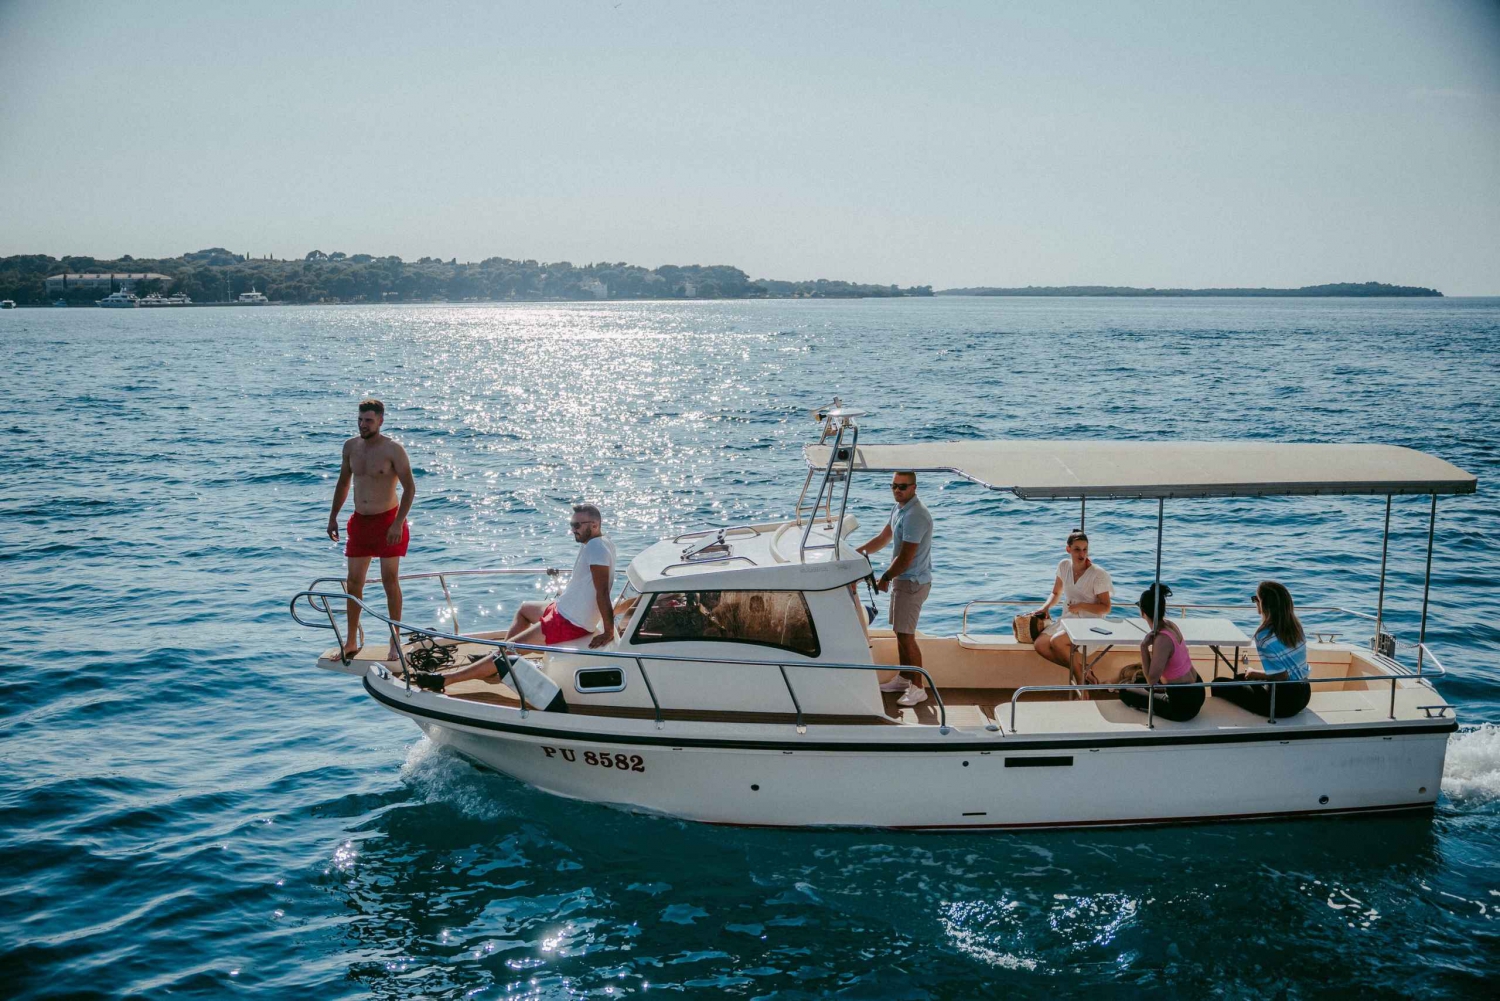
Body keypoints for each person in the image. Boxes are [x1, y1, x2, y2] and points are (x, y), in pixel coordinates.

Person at [416, 504, 617, 693]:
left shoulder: (595, 548)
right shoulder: (599, 541)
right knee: (524, 609)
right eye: (571, 524)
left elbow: (602, 592)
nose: (573, 529)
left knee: (507, 651)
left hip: (568, 621)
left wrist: (608, 631)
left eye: (577, 525)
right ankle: (497, 664)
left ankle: (446, 680)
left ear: (594, 525)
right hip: (562, 608)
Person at [326, 398, 415, 663]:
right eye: (360, 419)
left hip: (388, 522)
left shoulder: (393, 449)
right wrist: (333, 517)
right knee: (353, 582)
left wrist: (398, 523)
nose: (363, 425)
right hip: (360, 522)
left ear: (380, 421)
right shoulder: (351, 447)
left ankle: (394, 640)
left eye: (369, 420)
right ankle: (351, 640)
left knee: (390, 581)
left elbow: (410, 488)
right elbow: (343, 483)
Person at [855, 471, 934, 707]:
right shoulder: (899, 509)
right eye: (893, 486)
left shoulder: (916, 515)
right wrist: (855, 555)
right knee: (899, 632)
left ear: (914, 488)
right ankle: (904, 677)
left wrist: (886, 577)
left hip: (912, 582)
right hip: (903, 580)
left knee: (907, 636)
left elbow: (906, 557)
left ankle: (918, 687)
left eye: (902, 486)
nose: (897, 490)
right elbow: (883, 538)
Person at [1213, 581, 1311, 718]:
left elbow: (1281, 676)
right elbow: (1286, 673)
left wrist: (1254, 673)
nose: (1255, 602)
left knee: (1217, 684)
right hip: (1304, 693)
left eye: (1256, 599)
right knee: (1241, 678)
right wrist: (1254, 674)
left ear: (1264, 604)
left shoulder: (1264, 636)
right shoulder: (1296, 627)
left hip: (1282, 702)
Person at [1033, 529, 1113, 684]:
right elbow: (1056, 593)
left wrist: (1081, 606)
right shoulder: (1064, 566)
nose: (1082, 554)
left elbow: (1106, 607)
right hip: (1068, 620)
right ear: (1068, 549)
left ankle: (1079, 678)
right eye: (1077, 549)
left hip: (1091, 624)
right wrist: (1046, 607)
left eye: (1085, 549)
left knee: (1056, 642)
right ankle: (1084, 670)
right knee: (1040, 645)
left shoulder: (1098, 574)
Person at [1117, 583, 1205, 723]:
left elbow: (1151, 680)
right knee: (1139, 680)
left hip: (1182, 706)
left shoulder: (1162, 640)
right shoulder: (1170, 626)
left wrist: (1144, 648)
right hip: (1198, 689)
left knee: (1125, 691)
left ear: (1142, 612)